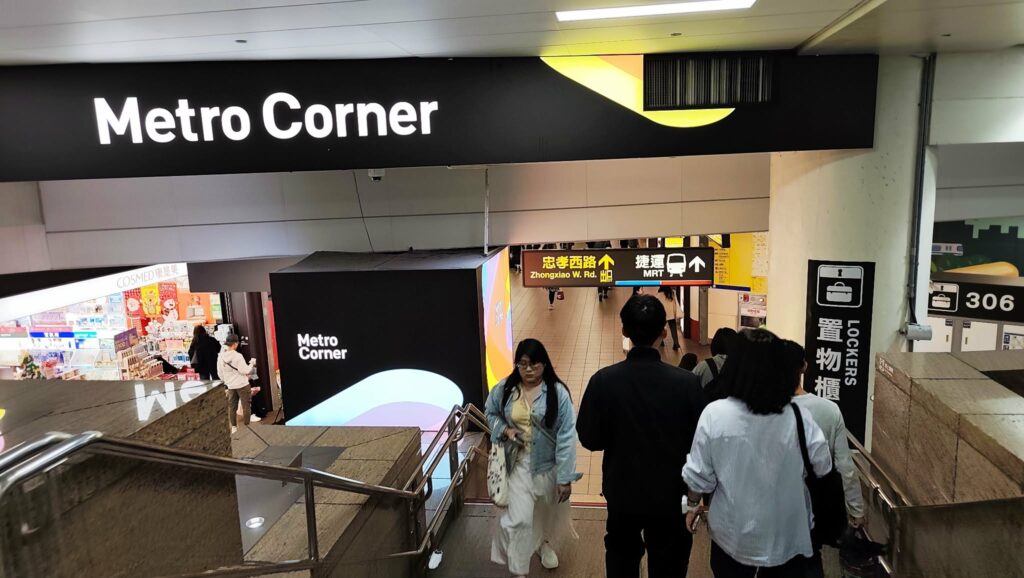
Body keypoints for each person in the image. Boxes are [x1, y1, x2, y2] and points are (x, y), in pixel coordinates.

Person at [682, 329, 832, 578]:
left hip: (732, 535)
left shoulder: (715, 414)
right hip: (787, 536)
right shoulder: (799, 417)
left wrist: (692, 505)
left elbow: (700, 477)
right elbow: (822, 466)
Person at [577, 295, 706, 578]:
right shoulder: (687, 384)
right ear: (664, 331)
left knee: (622, 560)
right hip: (671, 496)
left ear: (624, 330)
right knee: (668, 564)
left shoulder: (603, 381)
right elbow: (701, 444)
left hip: (622, 494)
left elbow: (589, 438)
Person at [485, 338, 581, 578]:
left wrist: (565, 477)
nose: (528, 369)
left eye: (534, 364)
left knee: (544, 512)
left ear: (544, 364)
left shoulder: (558, 393)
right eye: (522, 364)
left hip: (548, 466)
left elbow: (567, 436)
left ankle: (543, 542)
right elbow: (490, 412)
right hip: (518, 463)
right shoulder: (506, 389)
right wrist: (505, 430)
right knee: (520, 519)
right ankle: (519, 570)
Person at [784, 340, 865, 578]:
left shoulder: (765, 411)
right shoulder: (829, 410)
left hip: (776, 506)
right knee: (811, 558)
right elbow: (845, 466)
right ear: (804, 366)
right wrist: (856, 509)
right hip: (815, 504)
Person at [217, 334, 256, 434]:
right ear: (234, 344)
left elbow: (220, 373)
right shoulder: (238, 356)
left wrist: (227, 381)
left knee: (232, 407)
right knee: (246, 406)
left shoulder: (220, 357)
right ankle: (247, 427)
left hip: (231, 386)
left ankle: (234, 427)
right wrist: (252, 363)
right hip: (242, 385)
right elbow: (245, 370)